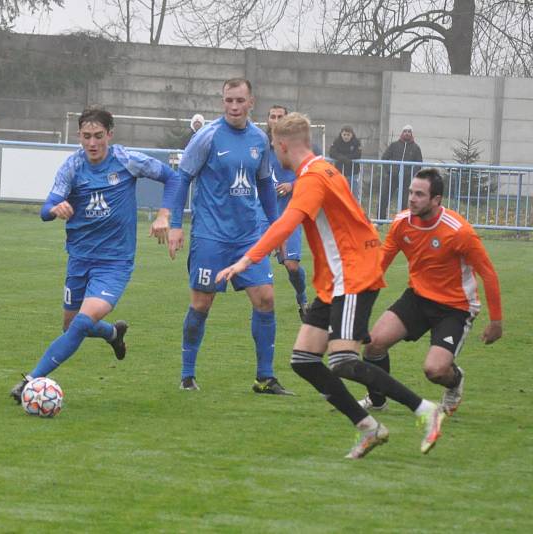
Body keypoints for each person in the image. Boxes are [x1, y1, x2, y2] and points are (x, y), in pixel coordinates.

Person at [217, 113, 446, 459]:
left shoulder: (312, 179)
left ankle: (424, 409)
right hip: (335, 280)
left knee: (341, 360)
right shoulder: (322, 169)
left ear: (281, 145)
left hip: (351, 276)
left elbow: (288, 222)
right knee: (304, 360)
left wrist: (246, 260)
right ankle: (370, 428)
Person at [10, 107, 179, 402]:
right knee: (70, 325)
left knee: (79, 324)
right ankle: (113, 334)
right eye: (86, 136)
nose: (92, 143)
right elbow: (45, 210)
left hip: (114, 263)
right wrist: (55, 208)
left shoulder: (126, 160)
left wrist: (164, 215)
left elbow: (172, 178)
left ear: (109, 135)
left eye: (98, 136)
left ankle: (32, 379)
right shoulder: (72, 167)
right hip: (79, 259)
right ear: (79, 136)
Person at [168, 79, 291, 395]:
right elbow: (182, 178)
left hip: (249, 234)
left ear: (252, 101)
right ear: (223, 102)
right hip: (211, 235)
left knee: (265, 299)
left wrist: (276, 228)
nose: (233, 107)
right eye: (228, 101)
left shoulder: (259, 139)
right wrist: (175, 223)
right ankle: (186, 374)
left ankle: (264, 378)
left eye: (239, 101)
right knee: (202, 303)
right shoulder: (206, 137)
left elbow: (264, 184)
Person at [359, 168, 502, 415]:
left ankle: (454, 380)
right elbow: (380, 264)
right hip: (417, 297)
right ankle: (378, 399)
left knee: (434, 370)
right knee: (373, 345)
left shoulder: (459, 231)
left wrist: (496, 321)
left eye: (420, 194)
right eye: (411, 192)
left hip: (455, 307)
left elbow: (488, 273)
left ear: (436, 200)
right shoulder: (401, 223)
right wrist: (356, 303)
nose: (412, 199)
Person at [266, 104, 308, 317]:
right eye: (272, 116)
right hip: (264, 216)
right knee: (255, 266)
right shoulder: (260, 147)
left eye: (280, 116)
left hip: (289, 214)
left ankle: (302, 297)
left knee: (291, 266)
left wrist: (292, 186)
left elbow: (311, 178)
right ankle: (261, 307)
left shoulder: (297, 149)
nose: (275, 120)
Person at [380, 125, 423, 219]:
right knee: (384, 196)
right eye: (405, 131)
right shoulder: (394, 145)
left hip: (407, 179)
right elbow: (384, 159)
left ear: (411, 134)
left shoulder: (416, 148)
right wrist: (390, 170)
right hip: (392, 176)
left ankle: (403, 220)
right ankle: (380, 220)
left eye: (409, 131)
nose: (407, 133)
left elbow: (419, 163)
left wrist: (411, 173)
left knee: (405, 201)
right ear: (402, 133)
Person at [329, 125, 362, 198]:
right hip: (339, 172)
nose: (346, 137)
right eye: (344, 134)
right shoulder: (337, 141)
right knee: (338, 195)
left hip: (353, 172)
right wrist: (341, 158)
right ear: (341, 134)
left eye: (348, 135)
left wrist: (346, 158)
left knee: (354, 194)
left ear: (352, 135)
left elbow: (358, 154)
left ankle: (354, 209)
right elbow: (331, 152)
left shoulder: (356, 142)